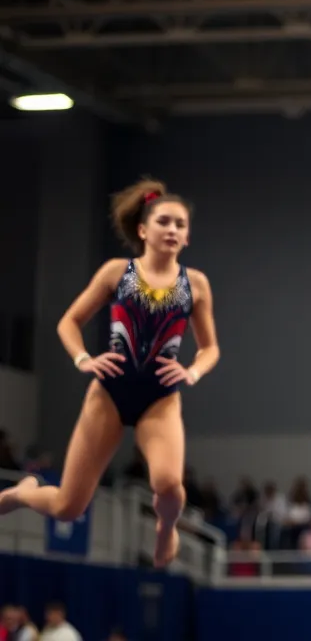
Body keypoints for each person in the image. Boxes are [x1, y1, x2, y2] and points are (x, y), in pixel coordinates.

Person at [0, 179, 220, 568]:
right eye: (164, 222)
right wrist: (83, 359)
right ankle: (23, 493)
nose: (172, 230)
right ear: (143, 230)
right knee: (68, 506)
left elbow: (210, 347)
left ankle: (165, 530)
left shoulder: (196, 284)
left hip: (161, 397)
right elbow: (69, 321)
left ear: (187, 237)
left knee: (169, 485)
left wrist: (194, 372)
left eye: (180, 225)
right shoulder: (117, 273)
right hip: (109, 395)